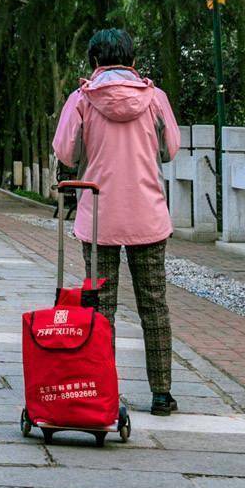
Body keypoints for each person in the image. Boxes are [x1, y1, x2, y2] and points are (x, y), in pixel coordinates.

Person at [52, 25, 182, 417]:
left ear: (94, 62)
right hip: (148, 215)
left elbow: (65, 151)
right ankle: (161, 394)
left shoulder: (82, 100)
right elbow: (171, 149)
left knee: (100, 307)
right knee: (154, 304)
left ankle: (104, 391)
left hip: (99, 219)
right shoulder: (155, 98)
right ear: (133, 61)